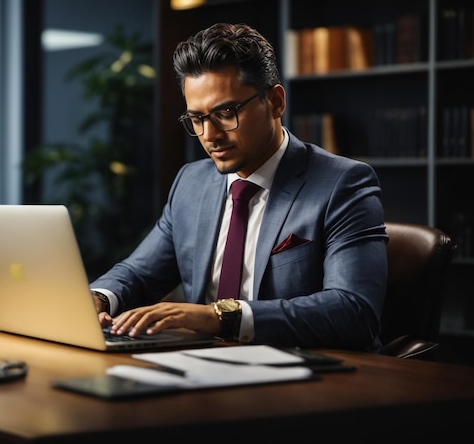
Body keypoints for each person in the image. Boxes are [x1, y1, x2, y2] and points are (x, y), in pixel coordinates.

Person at [90, 22, 388, 353]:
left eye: (226, 113)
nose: (210, 134)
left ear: (275, 102)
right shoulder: (192, 182)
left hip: (305, 375)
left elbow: (354, 311)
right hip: (202, 368)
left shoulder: (342, 184)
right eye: (197, 119)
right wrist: (99, 298)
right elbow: (140, 273)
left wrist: (222, 318)